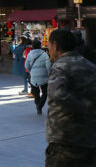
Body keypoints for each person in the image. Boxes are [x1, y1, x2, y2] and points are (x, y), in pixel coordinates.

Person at [45, 29, 96, 166]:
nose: (48, 49)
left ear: (55, 45)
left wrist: (84, 106)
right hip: (90, 138)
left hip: (65, 141)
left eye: (48, 45)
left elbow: (58, 94)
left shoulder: (60, 66)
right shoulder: (90, 65)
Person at [25, 39, 51, 115]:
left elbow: (26, 65)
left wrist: (31, 71)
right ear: (40, 46)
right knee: (45, 92)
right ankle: (40, 105)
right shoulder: (44, 54)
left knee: (36, 92)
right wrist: (49, 73)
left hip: (33, 76)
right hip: (44, 76)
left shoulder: (30, 54)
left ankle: (38, 105)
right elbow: (48, 66)